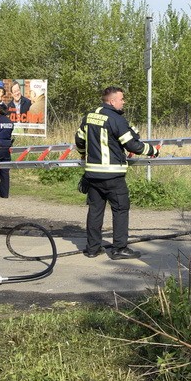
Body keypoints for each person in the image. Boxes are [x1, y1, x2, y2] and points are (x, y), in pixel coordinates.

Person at [74, 86, 159, 260]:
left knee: (95, 210)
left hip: (92, 174)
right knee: (120, 209)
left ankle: (92, 249)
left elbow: (79, 140)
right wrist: (152, 151)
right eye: (121, 99)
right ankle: (119, 248)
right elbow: (132, 145)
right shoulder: (116, 119)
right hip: (113, 175)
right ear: (112, 101)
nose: (123, 102)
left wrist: (83, 154)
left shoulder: (89, 116)